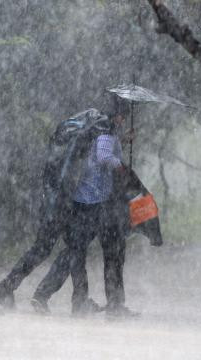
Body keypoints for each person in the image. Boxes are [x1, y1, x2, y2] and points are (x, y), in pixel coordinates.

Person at [29, 107, 137, 317]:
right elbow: (104, 156)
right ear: (119, 116)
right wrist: (122, 167)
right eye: (123, 117)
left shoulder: (99, 130)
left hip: (84, 201)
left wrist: (122, 141)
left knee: (74, 252)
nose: (124, 121)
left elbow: (98, 155)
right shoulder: (106, 131)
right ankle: (113, 306)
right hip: (95, 203)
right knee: (112, 253)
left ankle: (50, 296)